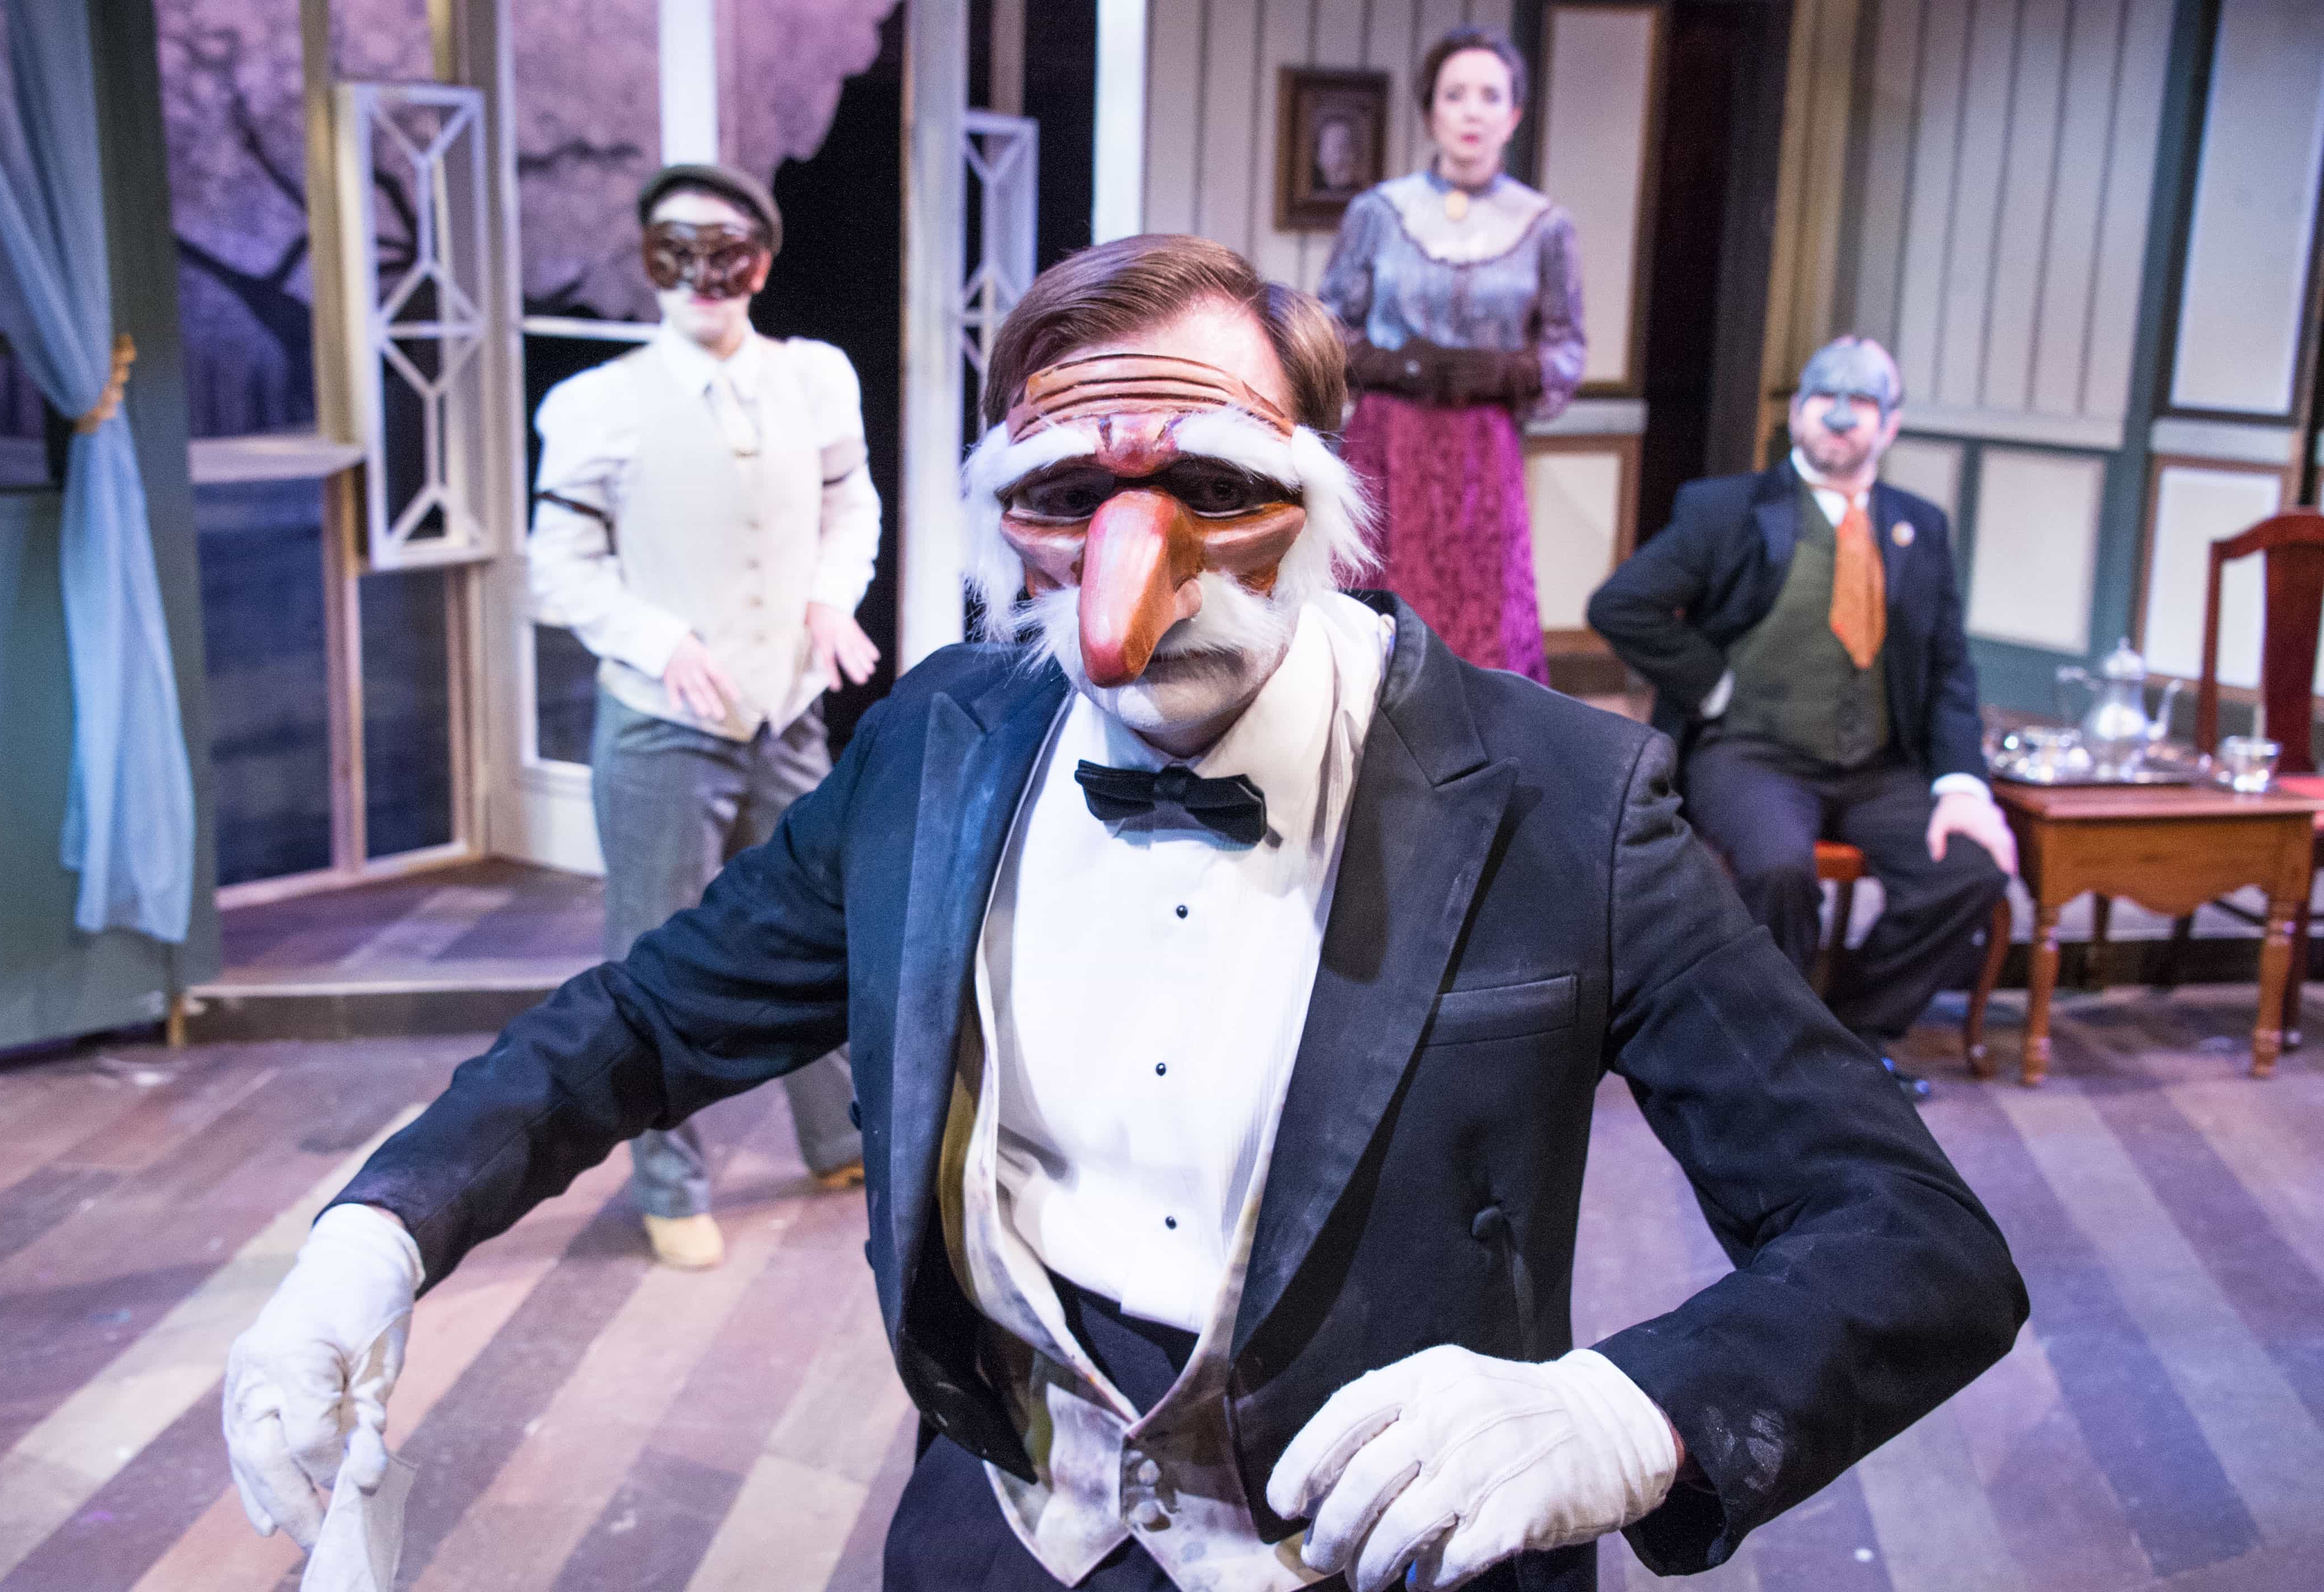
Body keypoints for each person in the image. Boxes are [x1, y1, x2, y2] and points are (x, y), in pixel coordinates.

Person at [223, 239, 2024, 1592]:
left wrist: (1623, 1413)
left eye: (1213, 490)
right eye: (1067, 497)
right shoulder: (938, 744)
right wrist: (376, 1232)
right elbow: (646, 1019)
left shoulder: (1559, 796)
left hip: (1382, 1557)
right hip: (1012, 1529)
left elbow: (1910, 1236)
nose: (1128, 577)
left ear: (1319, 500)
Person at [526, 163, 880, 1269]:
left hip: (786, 706)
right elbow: (560, 564)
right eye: (673, 249)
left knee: (820, 929)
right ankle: (668, 1181)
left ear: (760, 264)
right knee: (658, 959)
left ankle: (839, 1136)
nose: (699, 274)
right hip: (662, 722)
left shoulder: (814, 379)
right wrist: (658, 641)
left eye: (723, 250)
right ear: (648, 262)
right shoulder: (600, 404)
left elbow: (850, 507)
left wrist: (830, 598)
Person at [1587, 336, 2016, 1097]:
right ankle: (1774, 1051)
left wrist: (1961, 786)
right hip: (1752, 754)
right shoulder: (1723, 510)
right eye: (1825, 398)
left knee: (1968, 873)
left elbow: (1950, 666)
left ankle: (1852, 1037)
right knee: (1779, 872)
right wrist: (1712, 685)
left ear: (1891, 423)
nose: (1841, 417)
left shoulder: (1920, 525)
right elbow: (1621, 604)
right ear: (1796, 414)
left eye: (1864, 403)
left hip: (1877, 766)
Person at [1317, 26, 1586, 684]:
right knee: (1376, 612)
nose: (1472, 112)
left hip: (1480, 450)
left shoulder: (1544, 226)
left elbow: (1566, 346)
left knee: (1481, 617)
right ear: (1430, 110)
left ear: (1513, 116)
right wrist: (1394, 363)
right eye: (1455, 94)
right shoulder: (1378, 213)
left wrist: (1512, 371)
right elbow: (1323, 325)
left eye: (1490, 97)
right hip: (1387, 442)